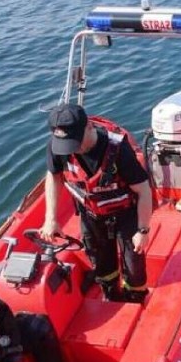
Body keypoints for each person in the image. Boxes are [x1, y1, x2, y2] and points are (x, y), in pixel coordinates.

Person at [40, 103, 153, 303]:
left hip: (126, 213)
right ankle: (110, 294)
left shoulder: (118, 150)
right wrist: (51, 218)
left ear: (89, 127)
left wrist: (142, 231)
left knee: (134, 266)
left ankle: (135, 297)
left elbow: (143, 190)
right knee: (102, 265)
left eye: (76, 142)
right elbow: (54, 175)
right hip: (91, 215)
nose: (72, 150)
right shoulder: (58, 147)